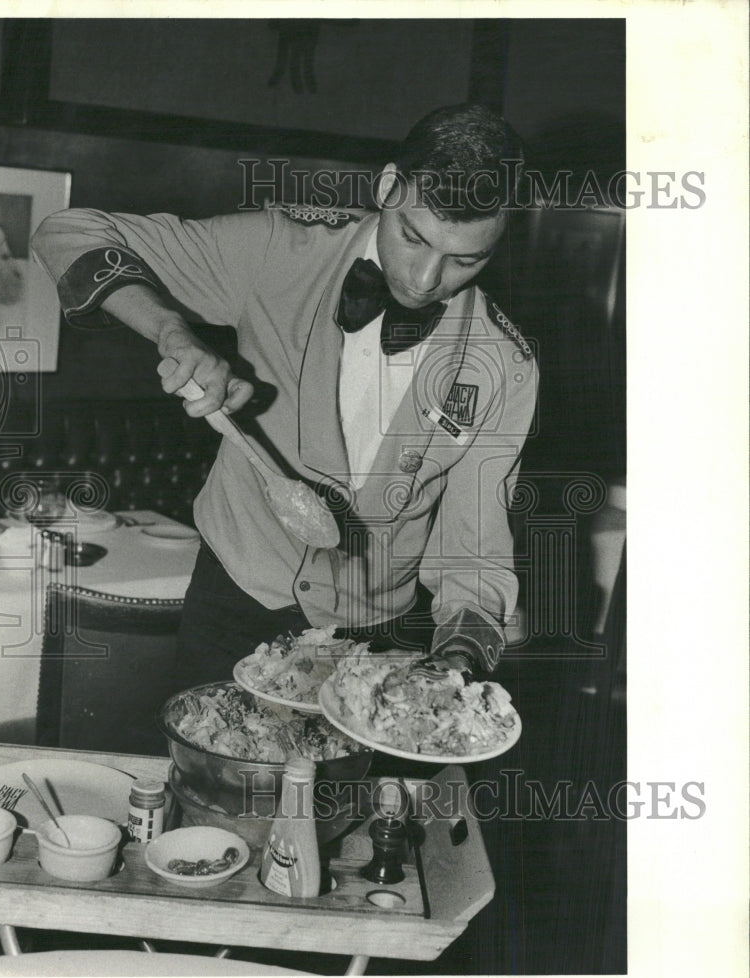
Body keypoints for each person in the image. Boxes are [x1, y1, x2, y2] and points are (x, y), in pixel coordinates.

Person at [31, 103, 538, 680]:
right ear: (390, 186)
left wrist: (456, 660)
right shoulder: (278, 252)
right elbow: (67, 231)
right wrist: (172, 330)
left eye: (464, 260)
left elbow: (473, 550)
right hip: (236, 606)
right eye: (413, 238)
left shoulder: (505, 363)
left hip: (378, 640)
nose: (424, 281)